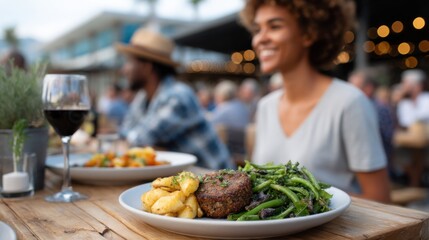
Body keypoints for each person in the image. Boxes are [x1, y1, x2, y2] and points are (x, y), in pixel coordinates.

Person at [240, 0, 390, 202]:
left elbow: (380, 199)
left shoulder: (349, 102)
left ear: (309, 33)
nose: (260, 39)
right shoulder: (266, 106)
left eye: (274, 26)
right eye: (257, 29)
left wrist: (305, 202)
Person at [116, 28, 233, 170]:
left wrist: (131, 140)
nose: (124, 69)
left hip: (216, 180)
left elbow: (140, 139)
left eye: (129, 62)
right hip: (186, 179)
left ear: (147, 67)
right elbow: (126, 132)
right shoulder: (142, 98)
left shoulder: (178, 96)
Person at [348, 68, 395, 178]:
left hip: (374, 168)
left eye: (354, 88)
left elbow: (388, 138)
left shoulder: (379, 108)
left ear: (368, 88)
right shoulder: (355, 107)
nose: (349, 92)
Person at [393, 69, 429, 186]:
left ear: (419, 86)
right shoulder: (404, 103)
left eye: (408, 85)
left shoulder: (426, 98)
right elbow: (405, 121)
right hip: (411, 142)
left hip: (423, 140)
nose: (405, 88)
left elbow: (421, 117)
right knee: (409, 158)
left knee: (418, 157)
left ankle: (416, 184)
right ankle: (415, 184)